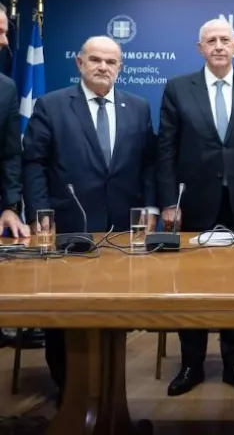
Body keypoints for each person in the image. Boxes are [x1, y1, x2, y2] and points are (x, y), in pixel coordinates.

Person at [23, 35, 156, 404]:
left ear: (120, 67)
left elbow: (148, 163)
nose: (103, 67)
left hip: (121, 229)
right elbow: (34, 162)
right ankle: (69, 391)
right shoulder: (52, 105)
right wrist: (38, 212)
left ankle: (108, 388)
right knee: (66, 311)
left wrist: (150, 207)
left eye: (111, 62)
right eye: (95, 59)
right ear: (79, 63)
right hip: (68, 224)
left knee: (114, 310)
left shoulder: (138, 107)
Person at [157, 18, 234, 397]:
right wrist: (169, 201)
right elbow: (166, 148)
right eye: (211, 40)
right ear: (200, 48)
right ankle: (191, 365)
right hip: (193, 203)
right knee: (191, 287)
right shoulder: (178, 88)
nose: (219, 46)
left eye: (225, 39)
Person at [0, 3, 27, 240]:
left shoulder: (6, 88)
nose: (5, 41)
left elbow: (10, 154)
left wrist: (11, 207)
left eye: (5, 33)